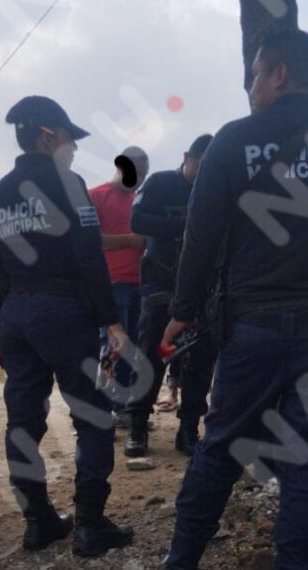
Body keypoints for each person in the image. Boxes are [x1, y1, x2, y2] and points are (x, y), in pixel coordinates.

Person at [158, 29, 308, 569]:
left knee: (220, 449)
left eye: (253, 76)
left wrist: (181, 312)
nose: (249, 89)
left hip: (251, 331)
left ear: (279, 74)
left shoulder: (230, 141)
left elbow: (199, 240)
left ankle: (179, 562)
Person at [0, 95, 133, 558]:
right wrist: (111, 319)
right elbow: (89, 256)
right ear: (48, 135)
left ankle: (37, 523)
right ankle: (88, 525)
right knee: (92, 417)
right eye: (69, 139)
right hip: (64, 313)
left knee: (23, 421)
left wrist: (12, 312)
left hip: (15, 315)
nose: (73, 149)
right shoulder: (69, 185)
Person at [125, 134, 215, 457]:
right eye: (199, 165)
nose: (202, 172)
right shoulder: (162, 183)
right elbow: (137, 220)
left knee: (201, 360)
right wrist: (182, 224)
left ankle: (189, 428)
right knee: (152, 354)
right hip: (161, 284)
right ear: (187, 156)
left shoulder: (216, 190)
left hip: (203, 290)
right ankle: (137, 427)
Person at [87, 146, 149, 430]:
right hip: (110, 283)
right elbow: (89, 240)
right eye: (138, 173)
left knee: (132, 348)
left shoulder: (139, 201)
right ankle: (102, 406)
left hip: (140, 283)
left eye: (145, 175)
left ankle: (121, 406)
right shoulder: (96, 196)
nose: (141, 179)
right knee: (112, 347)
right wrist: (129, 240)